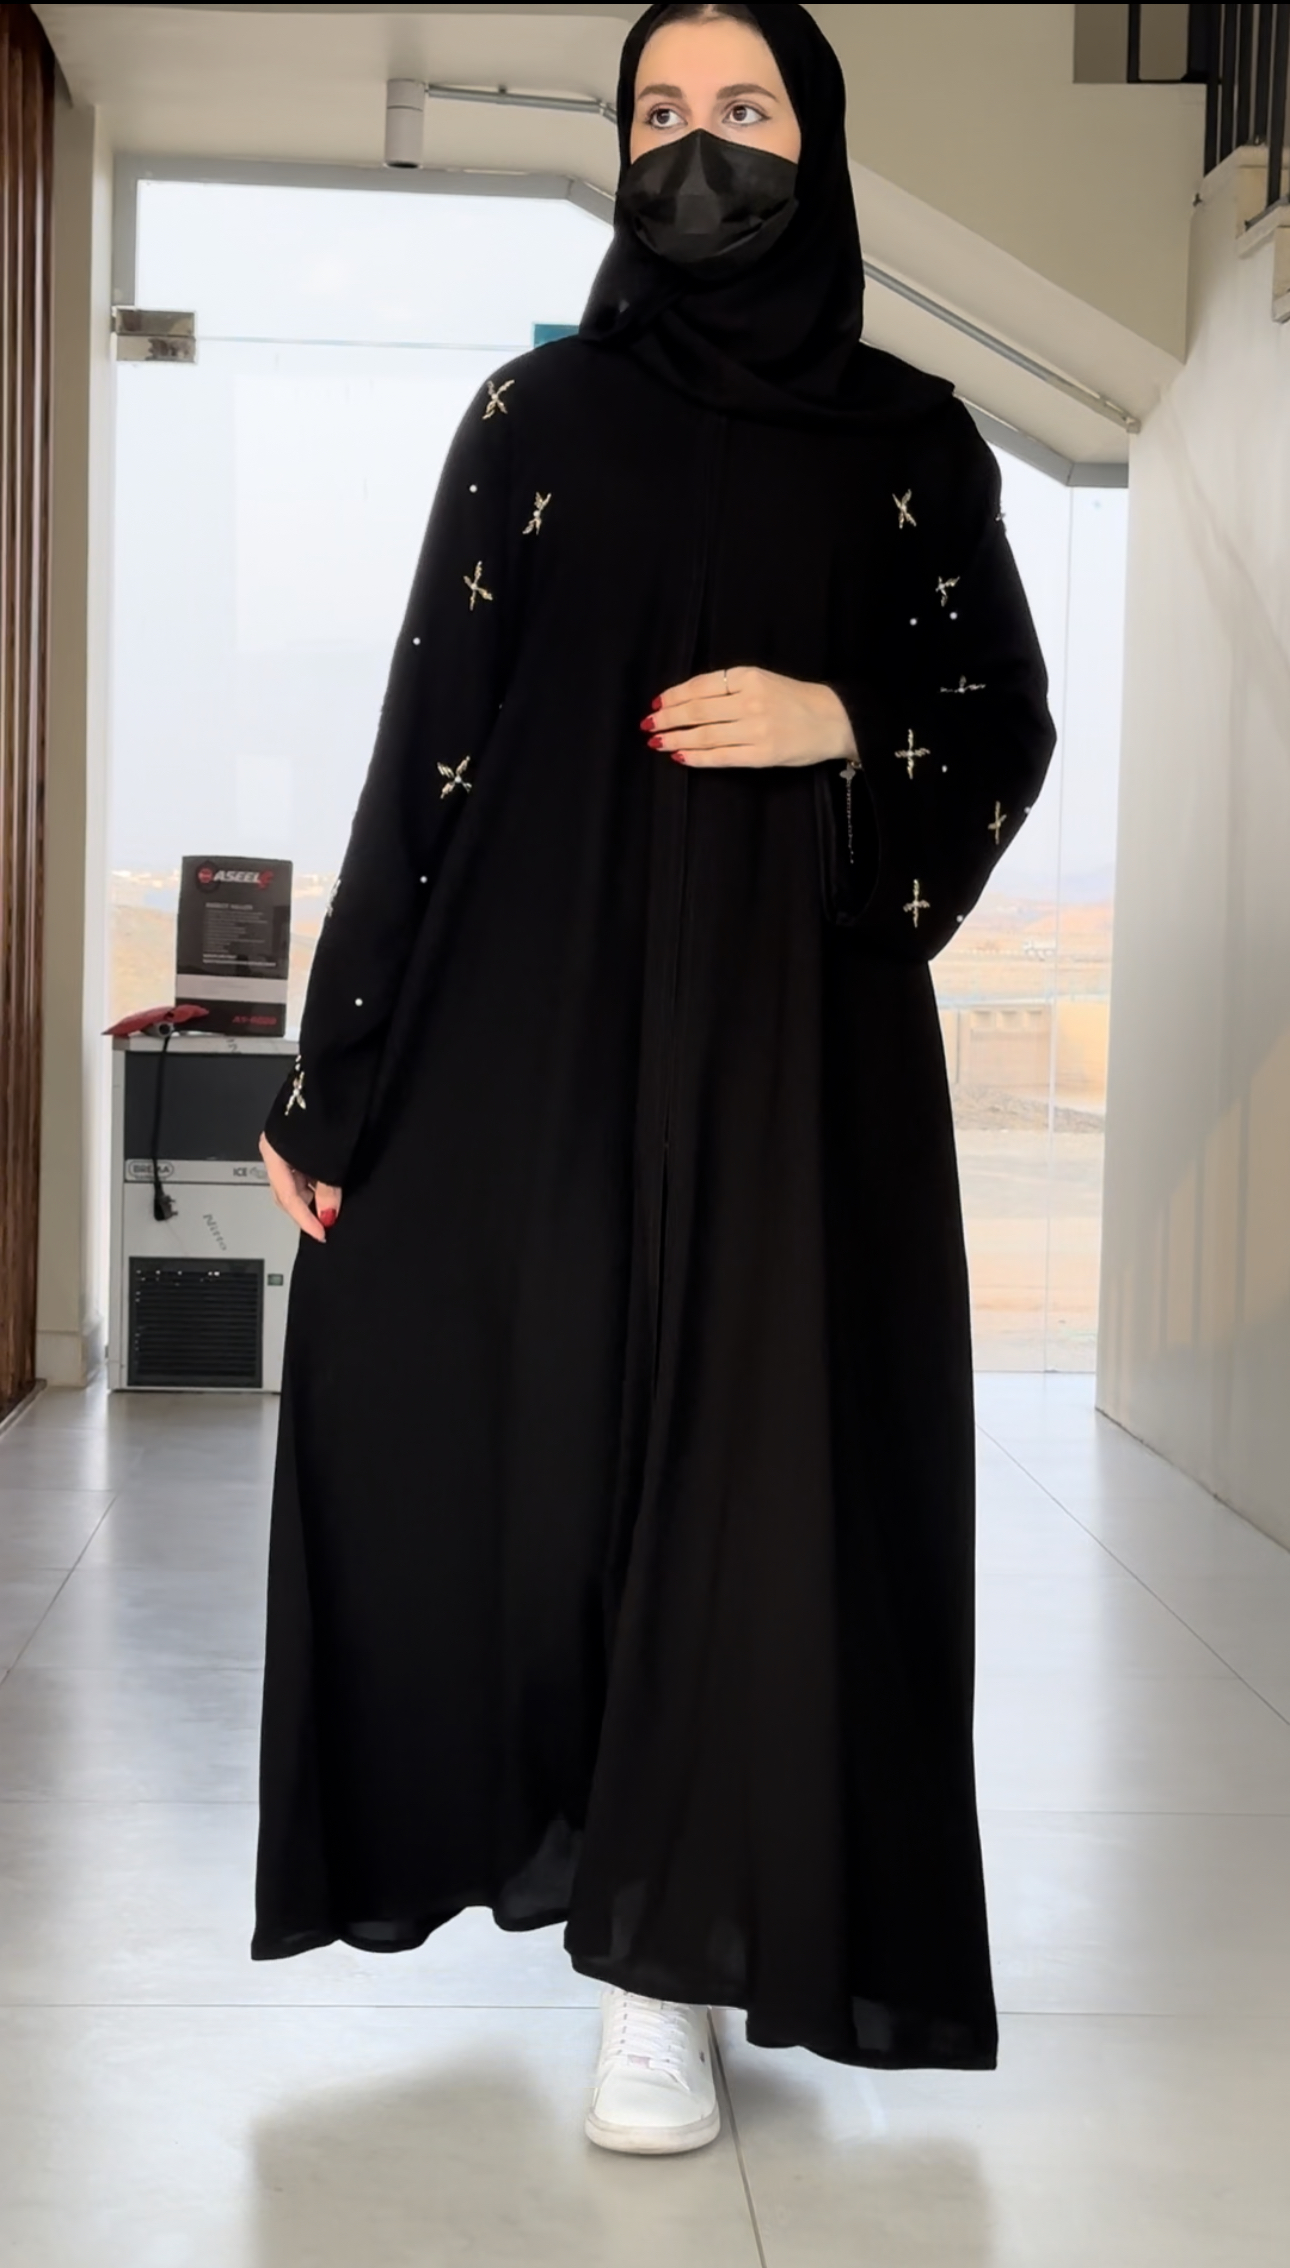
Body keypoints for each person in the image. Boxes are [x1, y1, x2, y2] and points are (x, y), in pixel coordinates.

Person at [253, 0, 1055, 2157]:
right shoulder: (534, 419)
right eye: (659, 113)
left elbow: (997, 719)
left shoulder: (911, 441)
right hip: (539, 1036)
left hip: (795, 1059)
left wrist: (840, 725)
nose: (698, 152)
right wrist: (338, 1078)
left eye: (746, 110)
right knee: (539, 1458)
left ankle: (669, 1969)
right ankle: (592, 1872)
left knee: (755, 1487)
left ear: (821, 141)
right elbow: (426, 750)